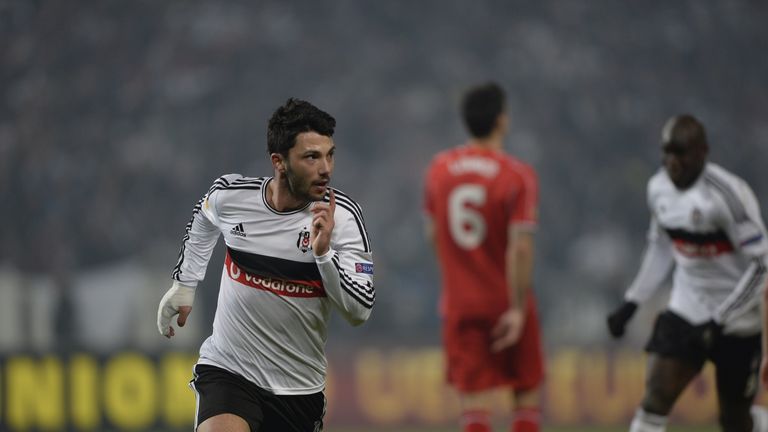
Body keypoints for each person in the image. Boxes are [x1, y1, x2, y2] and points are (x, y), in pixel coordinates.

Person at [156, 98, 375, 432]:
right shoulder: (233, 197)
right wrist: (185, 284)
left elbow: (359, 312)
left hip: (298, 390)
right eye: (311, 157)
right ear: (279, 161)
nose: (326, 168)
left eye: (330, 155)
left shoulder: (342, 217)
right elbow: (205, 217)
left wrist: (324, 255)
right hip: (229, 371)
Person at [606, 114, 768, 432]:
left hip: (738, 322)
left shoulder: (729, 195)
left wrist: (721, 319)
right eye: (667, 153)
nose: (672, 162)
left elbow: (762, 265)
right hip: (687, 310)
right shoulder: (658, 188)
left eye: (680, 153)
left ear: (702, 152)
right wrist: (632, 302)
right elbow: (661, 247)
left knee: (735, 421)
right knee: (654, 399)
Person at [423, 82, 545, 432]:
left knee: (475, 405)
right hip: (506, 301)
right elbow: (520, 247)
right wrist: (518, 308)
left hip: (462, 304)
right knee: (525, 393)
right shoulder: (518, 175)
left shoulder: (439, 169)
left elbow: (433, 234)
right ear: (501, 121)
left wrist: (456, 281)